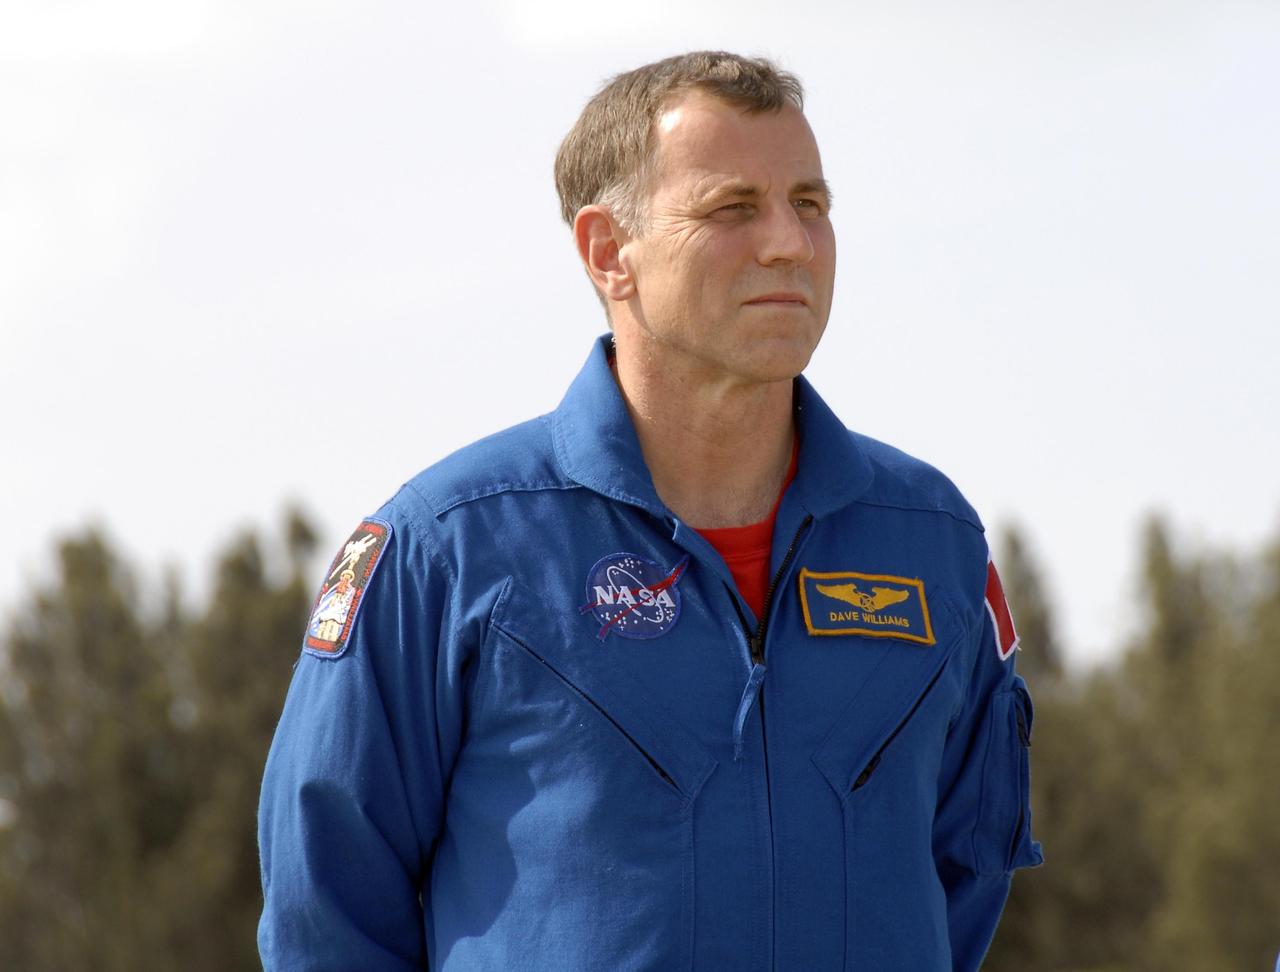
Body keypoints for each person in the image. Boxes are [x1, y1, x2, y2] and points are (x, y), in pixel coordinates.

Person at [258, 50, 1043, 971]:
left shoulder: (933, 542)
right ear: (607, 252)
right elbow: (328, 916)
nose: (789, 242)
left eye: (810, 204)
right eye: (731, 209)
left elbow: (966, 871)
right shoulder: (447, 548)